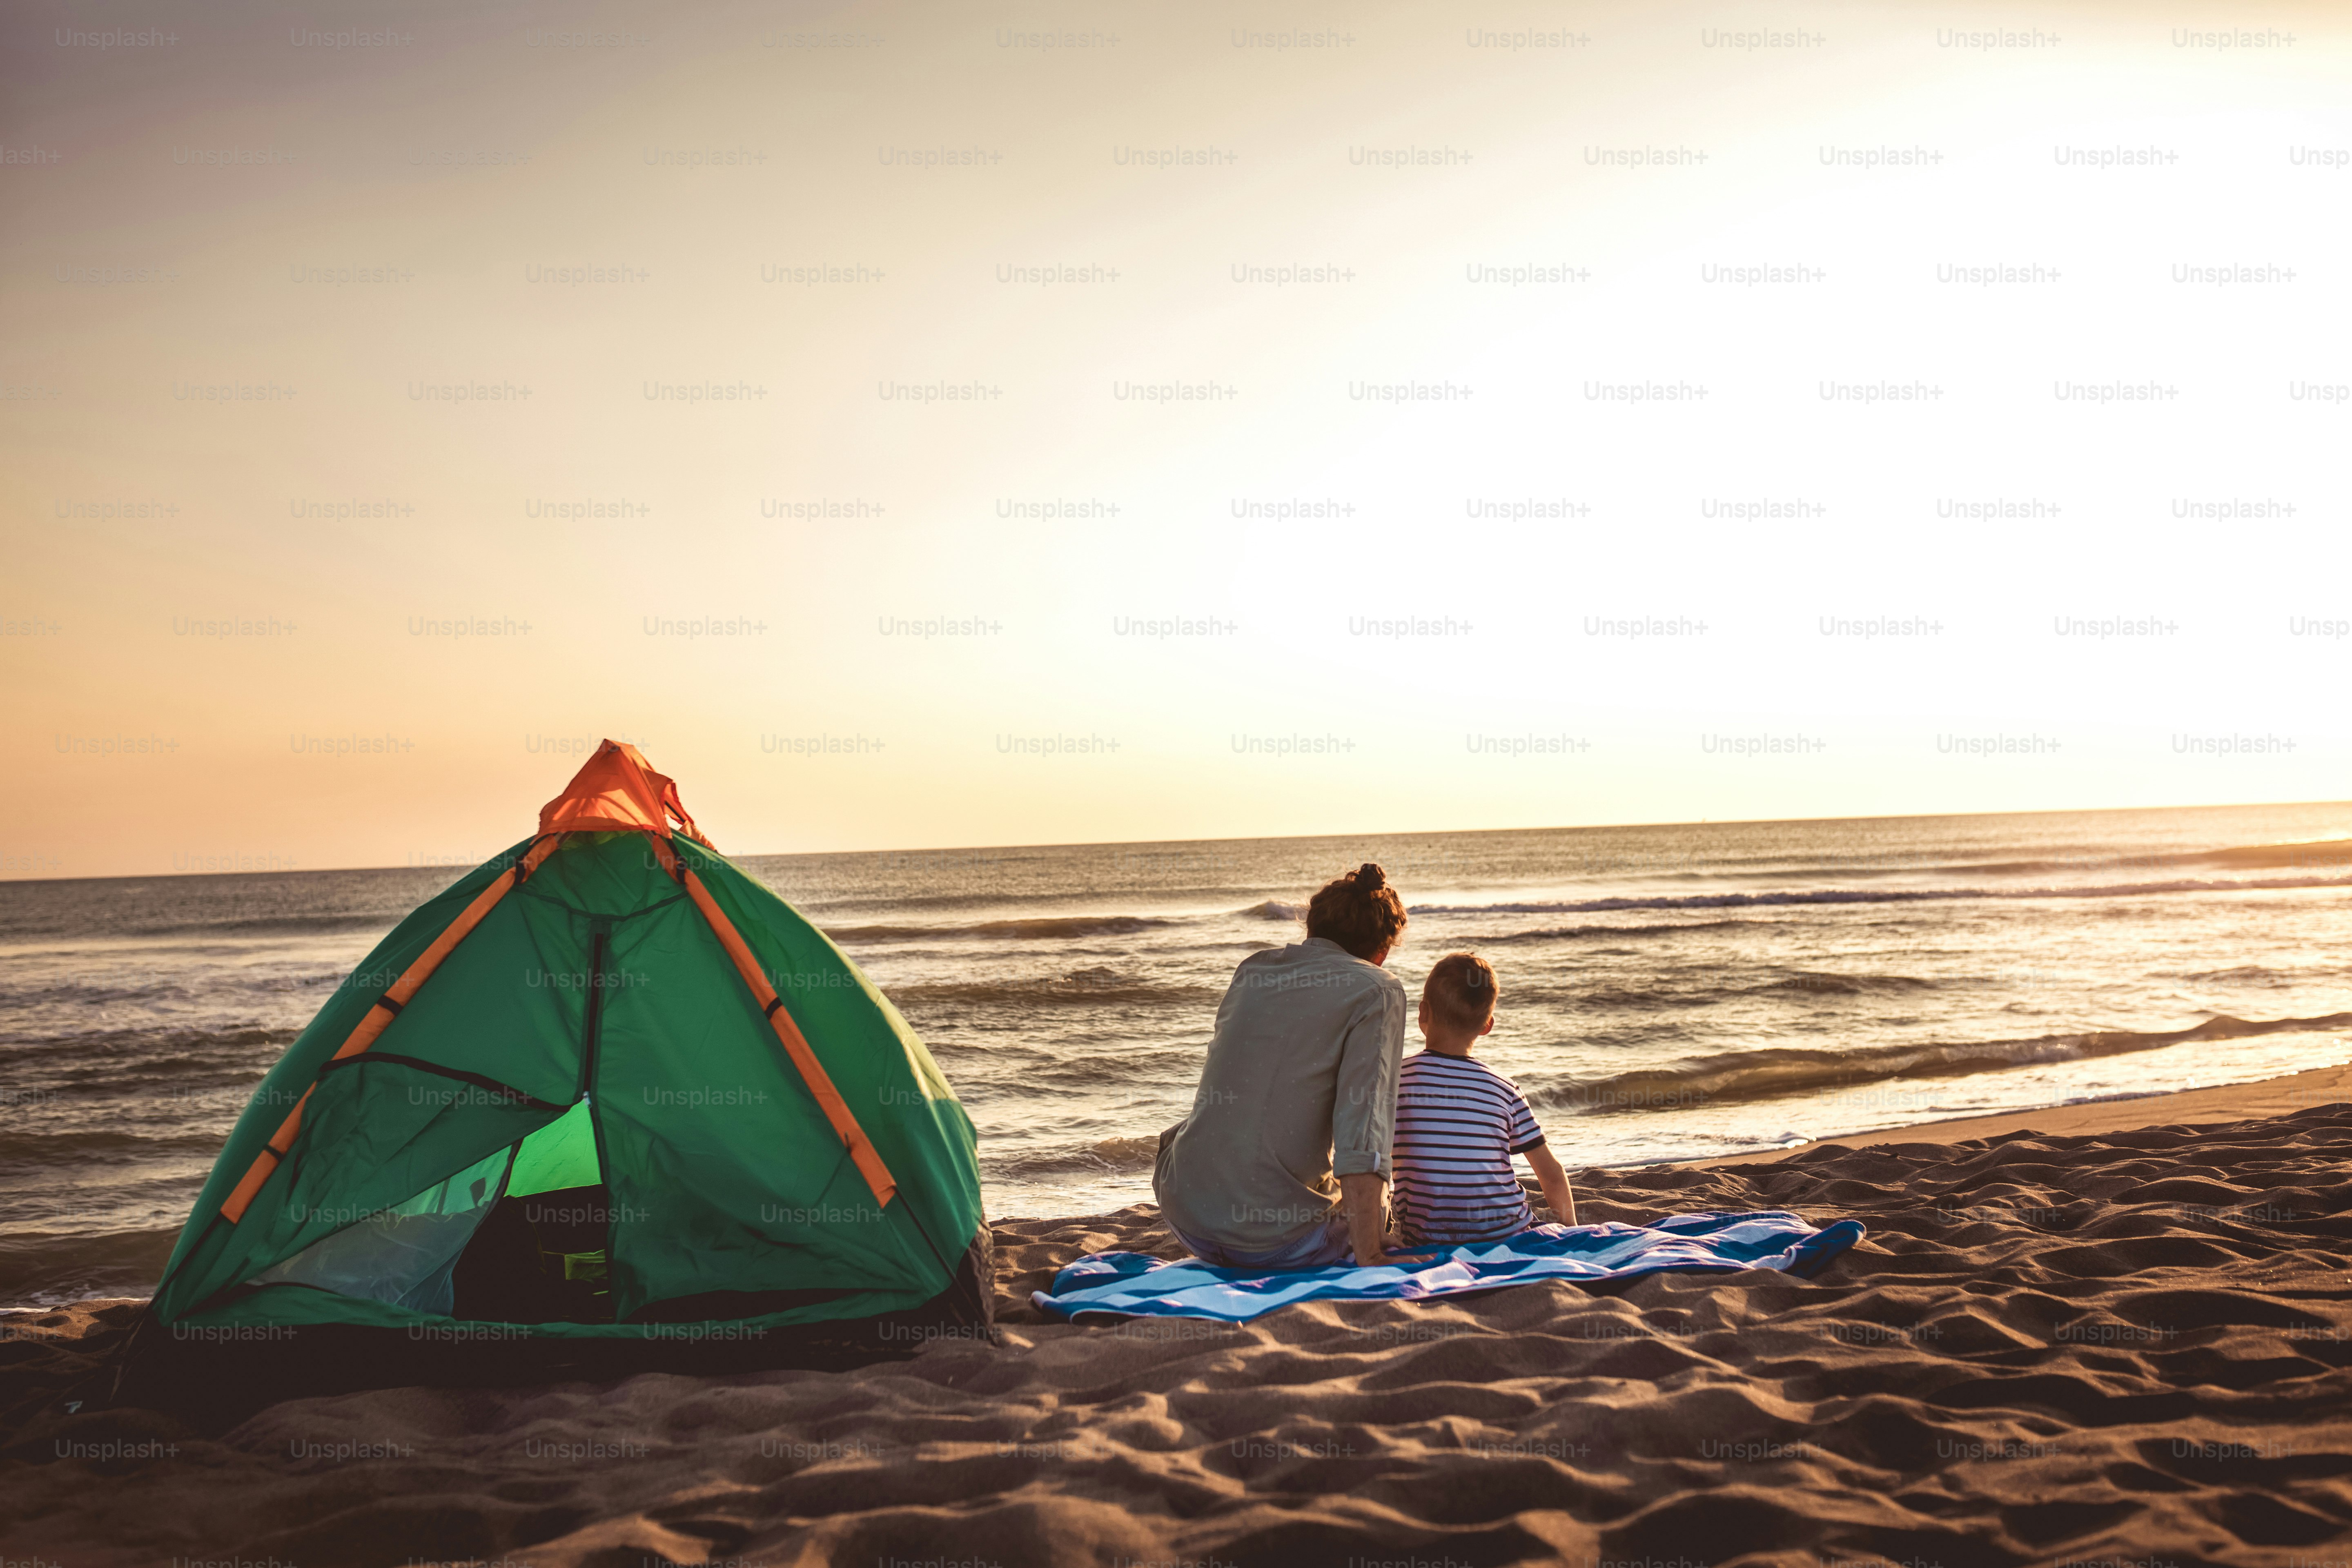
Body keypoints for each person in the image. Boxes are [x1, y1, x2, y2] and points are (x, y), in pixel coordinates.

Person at [1154, 862, 1416, 1270]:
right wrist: (1370, 1252)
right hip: (1274, 1244)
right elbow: (1363, 1130)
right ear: (1381, 953)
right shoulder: (1378, 989)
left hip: (1185, 1213)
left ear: (1312, 932)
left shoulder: (1253, 970)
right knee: (1375, 1200)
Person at [1390, 952, 1575, 1245]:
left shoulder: (1394, 1080)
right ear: (1487, 1026)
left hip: (1426, 1240)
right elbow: (1551, 1174)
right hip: (1508, 1235)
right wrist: (1570, 1232)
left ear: (1423, 1013)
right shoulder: (1505, 1088)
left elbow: (1372, 1161)